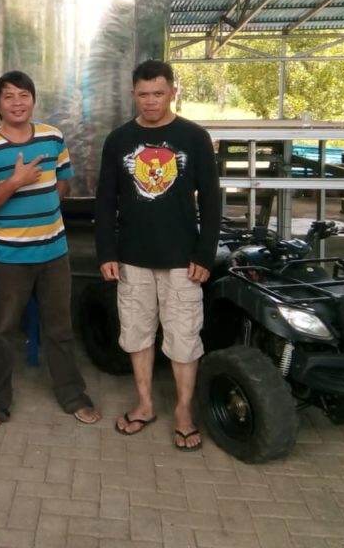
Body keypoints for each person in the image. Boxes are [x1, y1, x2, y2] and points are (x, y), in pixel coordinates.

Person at [94, 59, 221, 451]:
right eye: (144, 94)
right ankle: (146, 403)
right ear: (133, 94)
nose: (151, 101)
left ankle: (183, 411)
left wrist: (205, 253)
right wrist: (106, 251)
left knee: (184, 337)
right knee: (136, 333)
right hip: (132, 257)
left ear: (172, 92)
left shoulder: (194, 137)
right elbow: (105, 200)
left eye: (158, 93)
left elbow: (212, 200)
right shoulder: (118, 140)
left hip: (183, 259)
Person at [0, 71, 101, 430]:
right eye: (9, 96)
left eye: (24, 95)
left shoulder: (52, 136)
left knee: (59, 328)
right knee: (2, 332)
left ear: (33, 99)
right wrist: (15, 182)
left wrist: (44, 209)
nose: (17, 103)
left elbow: (63, 182)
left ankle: (73, 395)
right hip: (10, 256)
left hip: (53, 252)